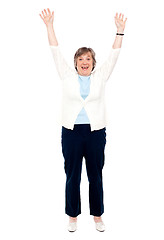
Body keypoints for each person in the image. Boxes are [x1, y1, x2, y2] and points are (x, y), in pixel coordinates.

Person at [39, 8, 127, 232]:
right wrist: (49, 26)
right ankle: (72, 216)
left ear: (93, 63)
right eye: (80, 59)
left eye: (88, 58)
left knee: (95, 175)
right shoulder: (67, 75)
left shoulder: (101, 76)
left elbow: (114, 55)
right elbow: (55, 50)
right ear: (76, 62)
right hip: (71, 132)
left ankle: (97, 216)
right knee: (72, 175)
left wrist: (120, 32)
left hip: (96, 132)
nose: (84, 62)